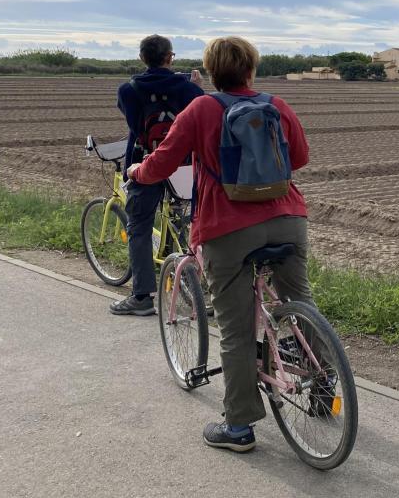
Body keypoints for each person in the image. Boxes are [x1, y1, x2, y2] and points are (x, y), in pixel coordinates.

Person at [127, 36, 311, 453]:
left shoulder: (202, 109)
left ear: (211, 72)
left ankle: (239, 427)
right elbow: (298, 158)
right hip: (287, 218)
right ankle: (321, 385)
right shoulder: (277, 106)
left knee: (236, 328)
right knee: (300, 300)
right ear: (252, 69)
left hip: (227, 228)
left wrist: (138, 171)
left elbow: (163, 162)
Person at [111, 35, 204, 316]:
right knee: (187, 222)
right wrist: (196, 87)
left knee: (138, 226)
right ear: (170, 58)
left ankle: (141, 297)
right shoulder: (189, 89)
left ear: (142, 58)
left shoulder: (128, 90)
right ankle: (197, 290)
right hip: (183, 164)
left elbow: (132, 121)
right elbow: (200, 112)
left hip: (145, 163)